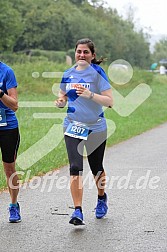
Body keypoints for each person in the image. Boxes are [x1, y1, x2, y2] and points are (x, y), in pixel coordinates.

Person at [55, 38, 113, 225]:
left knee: (96, 168)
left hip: (95, 126)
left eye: (85, 52)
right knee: (75, 167)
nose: (81, 55)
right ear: (75, 53)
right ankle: (78, 211)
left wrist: (90, 95)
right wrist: (61, 101)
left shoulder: (97, 74)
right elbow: (62, 94)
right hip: (73, 126)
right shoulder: (68, 73)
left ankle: (101, 197)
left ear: (92, 55)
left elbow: (110, 102)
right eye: (79, 51)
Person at [0, 61, 21, 223]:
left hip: (7, 128)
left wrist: (0, 93)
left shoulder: (7, 71)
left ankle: (14, 205)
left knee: (9, 169)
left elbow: (14, 105)